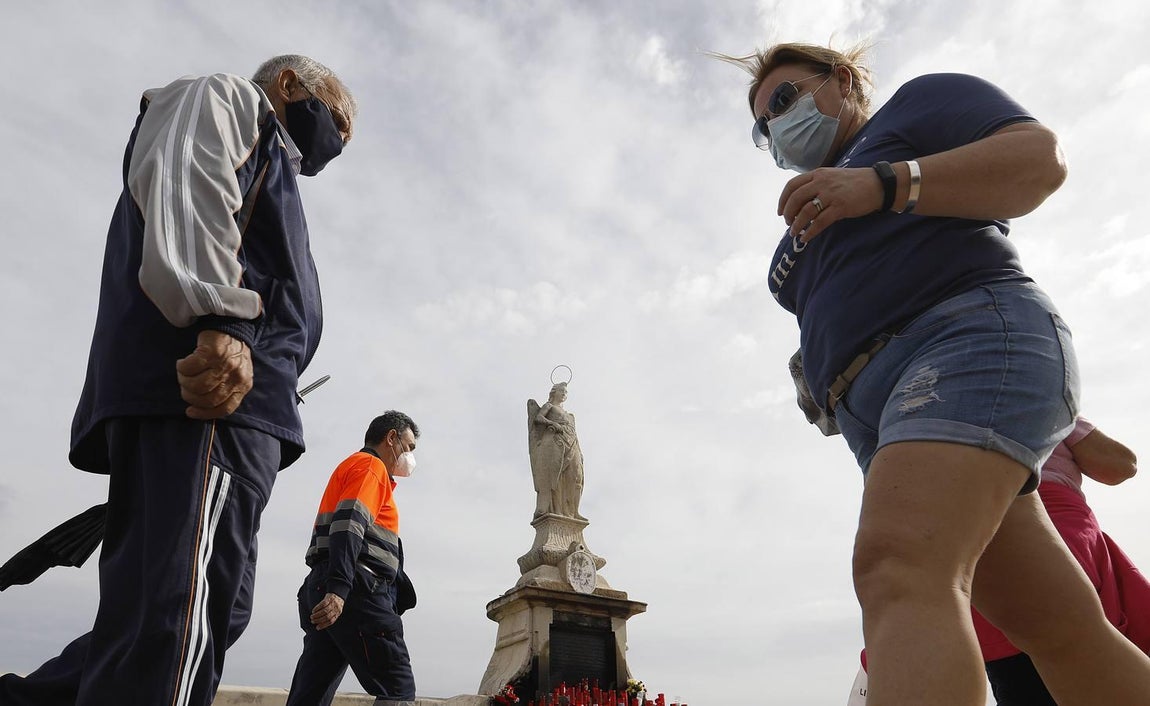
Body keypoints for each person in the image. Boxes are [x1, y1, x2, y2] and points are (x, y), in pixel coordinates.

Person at [723, 41, 1150, 704]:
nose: (776, 126)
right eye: (763, 127)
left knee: (899, 565)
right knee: (1061, 630)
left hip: (965, 342)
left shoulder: (917, 109)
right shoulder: (800, 230)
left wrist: (883, 183)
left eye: (783, 100)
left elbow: (1040, 161)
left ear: (838, 81)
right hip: (883, 417)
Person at [0, 55, 355, 706]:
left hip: (245, 415)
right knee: (179, 612)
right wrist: (222, 315)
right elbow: (187, 177)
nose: (342, 139)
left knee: (208, 607)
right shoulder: (227, 99)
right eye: (338, 118)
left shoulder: (275, 166)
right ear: (288, 85)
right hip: (212, 400)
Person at [851, 417, 1150, 704]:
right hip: (1046, 534)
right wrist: (1068, 422)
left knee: (1024, 668)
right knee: (1083, 651)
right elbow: (1120, 467)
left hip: (973, 539)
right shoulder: (1038, 402)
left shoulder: (899, 416)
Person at [975, 417, 1150, 704]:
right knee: (1090, 650)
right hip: (1056, 532)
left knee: (1016, 664)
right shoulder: (1043, 406)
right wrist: (1066, 419)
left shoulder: (918, 408)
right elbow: (1119, 466)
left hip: (979, 541)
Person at [285, 411, 421, 706]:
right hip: (358, 588)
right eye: (409, 448)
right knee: (397, 687)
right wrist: (339, 589)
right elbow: (349, 524)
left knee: (313, 687)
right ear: (392, 438)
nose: (410, 457)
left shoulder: (351, 467)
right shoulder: (371, 467)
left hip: (325, 582)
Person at [527, 382, 585, 520]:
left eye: (566, 392)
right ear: (555, 392)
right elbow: (538, 418)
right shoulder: (549, 406)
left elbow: (575, 433)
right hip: (557, 444)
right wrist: (552, 423)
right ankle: (557, 510)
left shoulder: (570, 415)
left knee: (577, 477)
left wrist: (580, 451)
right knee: (558, 477)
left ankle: (573, 511)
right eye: (562, 391)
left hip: (572, 444)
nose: (564, 394)